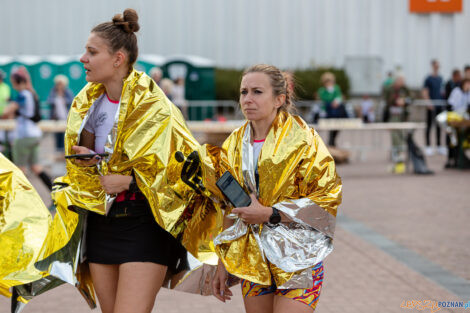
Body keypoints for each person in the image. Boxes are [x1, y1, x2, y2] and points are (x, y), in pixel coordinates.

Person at [35, 9, 223, 313]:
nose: (83, 58)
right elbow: (88, 166)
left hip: (144, 222)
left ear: (118, 59)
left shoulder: (155, 106)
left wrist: (131, 181)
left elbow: (185, 169)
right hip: (99, 222)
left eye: (92, 52)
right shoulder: (87, 104)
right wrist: (86, 163)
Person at [211, 64, 342, 313]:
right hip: (254, 259)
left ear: (279, 99)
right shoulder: (233, 145)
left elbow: (327, 197)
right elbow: (228, 206)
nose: (247, 99)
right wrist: (223, 262)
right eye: (244, 92)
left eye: (257, 92)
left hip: (300, 257)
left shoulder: (304, 140)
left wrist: (270, 213)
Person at [1, 70, 53, 190]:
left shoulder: (22, 95)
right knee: (36, 167)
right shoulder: (30, 93)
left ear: (15, 82)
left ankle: (20, 201)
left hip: (24, 136)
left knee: (20, 170)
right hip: (34, 134)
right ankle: (54, 192)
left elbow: (7, 111)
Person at [386, 75, 410, 172]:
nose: (402, 83)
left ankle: (401, 153)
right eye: (400, 81)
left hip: (402, 116)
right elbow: (386, 101)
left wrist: (404, 101)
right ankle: (397, 153)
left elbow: (411, 99)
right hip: (392, 115)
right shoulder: (390, 89)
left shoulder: (405, 89)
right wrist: (395, 100)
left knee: (401, 134)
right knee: (394, 135)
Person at [422, 59, 445, 156]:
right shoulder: (428, 78)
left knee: (439, 126)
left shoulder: (440, 78)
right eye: (435, 65)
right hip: (431, 106)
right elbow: (425, 91)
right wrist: (428, 102)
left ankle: (439, 145)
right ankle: (428, 146)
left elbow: (442, 91)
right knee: (429, 126)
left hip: (439, 105)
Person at [316, 72, 346, 146]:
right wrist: (332, 100)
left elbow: (339, 96)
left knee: (336, 127)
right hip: (326, 112)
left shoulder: (336, 88)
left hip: (336, 112)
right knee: (328, 127)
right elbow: (324, 99)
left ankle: (332, 141)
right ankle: (329, 142)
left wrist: (336, 101)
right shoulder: (322, 90)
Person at [47, 74, 74, 153]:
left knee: (65, 134)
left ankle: (65, 150)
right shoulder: (53, 92)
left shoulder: (67, 92)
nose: (59, 85)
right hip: (56, 117)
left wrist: (64, 100)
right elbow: (49, 101)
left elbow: (71, 101)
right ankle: (58, 150)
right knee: (57, 134)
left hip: (66, 116)